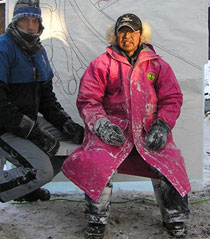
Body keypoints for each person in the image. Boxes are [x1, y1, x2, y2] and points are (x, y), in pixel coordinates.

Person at [62, 13, 191, 238]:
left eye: (132, 31)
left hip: (148, 131)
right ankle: (96, 221)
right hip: (113, 132)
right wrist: (101, 125)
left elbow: (172, 98)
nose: (127, 36)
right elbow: (88, 100)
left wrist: (162, 125)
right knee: (98, 164)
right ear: (115, 35)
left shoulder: (157, 64)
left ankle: (175, 218)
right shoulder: (101, 64)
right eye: (122, 31)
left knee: (171, 162)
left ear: (141, 35)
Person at [0, 0, 84, 203]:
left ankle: (26, 189)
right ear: (15, 23)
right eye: (24, 20)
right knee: (42, 170)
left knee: (67, 149)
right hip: (4, 127)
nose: (30, 26)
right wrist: (33, 133)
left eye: (34, 21)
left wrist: (66, 125)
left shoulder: (39, 52)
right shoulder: (4, 48)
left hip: (27, 121)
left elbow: (47, 100)